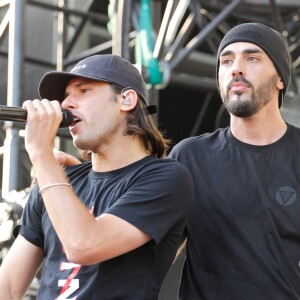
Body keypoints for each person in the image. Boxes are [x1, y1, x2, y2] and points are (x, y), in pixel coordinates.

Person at [0, 54, 194, 299]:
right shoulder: (57, 181)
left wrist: (41, 153)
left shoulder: (166, 179)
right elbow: (7, 286)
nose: (66, 104)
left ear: (126, 99)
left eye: (84, 91)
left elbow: (84, 245)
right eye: (65, 97)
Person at [169, 23, 300, 299]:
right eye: (226, 60)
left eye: (252, 58)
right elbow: (148, 254)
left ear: (280, 78)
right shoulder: (189, 157)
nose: (236, 68)